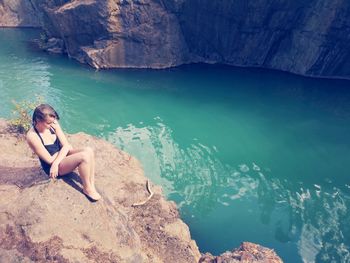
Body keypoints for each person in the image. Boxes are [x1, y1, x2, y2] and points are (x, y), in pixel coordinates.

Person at [26, 104, 102, 202]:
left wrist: (61, 155)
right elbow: (50, 160)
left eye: (53, 122)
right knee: (83, 157)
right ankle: (87, 189)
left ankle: (90, 183)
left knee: (89, 150)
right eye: (48, 123)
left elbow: (66, 144)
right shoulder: (32, 136)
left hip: (57, 161)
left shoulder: (53, 123)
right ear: (38, 120)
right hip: (53, 167)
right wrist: (61, 156)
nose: (52, 125)